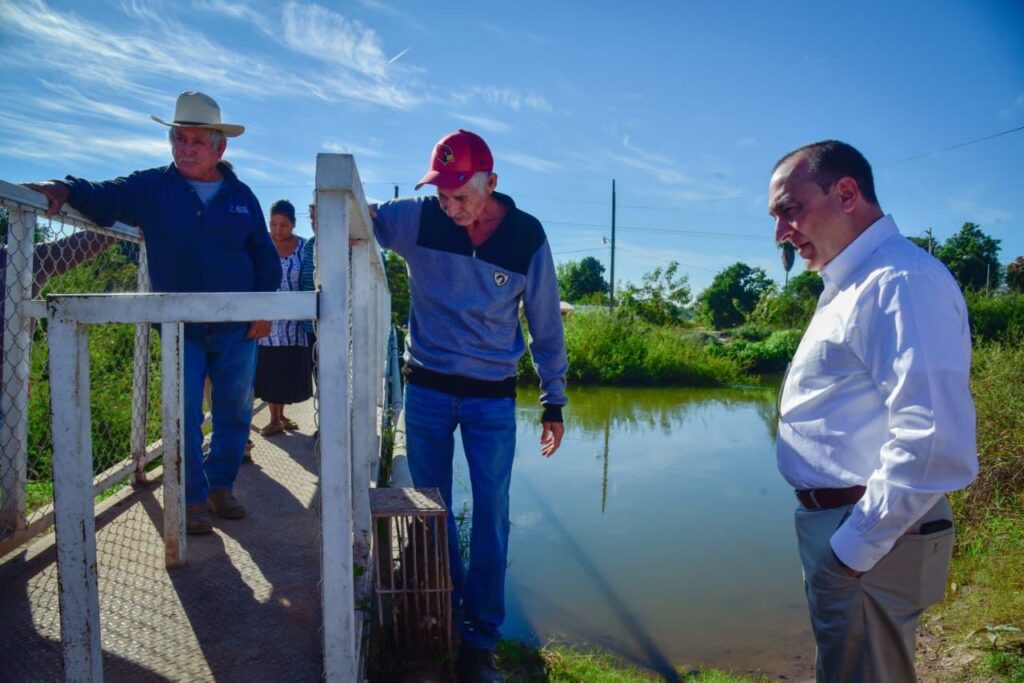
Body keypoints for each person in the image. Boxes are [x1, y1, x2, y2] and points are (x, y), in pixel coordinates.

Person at [26, 91, 281, 535]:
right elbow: (107, 196)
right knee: (180, 411)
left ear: (220, 147)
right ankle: (192, 498)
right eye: (178, 139)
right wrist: (64, 189)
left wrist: (263, 310)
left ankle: (221, 485)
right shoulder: (154, 187)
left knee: (235, 408)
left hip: (236, 325)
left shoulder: (242, 197)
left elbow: (265, 258)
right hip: (179, 325)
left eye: (196, 141)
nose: (185, 148)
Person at [769, 140, 978, 682]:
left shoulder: (898, 281)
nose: (780, 234)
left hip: (870, 537)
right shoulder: (854, 282)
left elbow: (933, 442)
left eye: (789, 209)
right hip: (854, 532)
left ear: (845, 193)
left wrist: (849, 553)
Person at [371, 129, 568, 683]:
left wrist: (553, 399)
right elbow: (355, 218)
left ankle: (479, 641)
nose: (451, 207)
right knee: (430, 509)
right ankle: (443, 607)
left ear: (492, 183)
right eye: (442, 194)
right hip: (427, 388)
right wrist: (331, 216)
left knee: (492, 515)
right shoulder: (416, 218)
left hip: (491, 397)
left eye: (462, 195)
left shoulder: (527, 236)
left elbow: (545, 323)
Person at [254, 199, 312, 436]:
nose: (278, 230)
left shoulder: (304, 247)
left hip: (294, 321)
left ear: (293, 225)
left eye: (284, 225)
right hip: (267, 319)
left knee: (287, 370)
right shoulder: (261, 244)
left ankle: (281, 416)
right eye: (274, 224)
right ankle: (274, 418)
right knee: (270, 369)